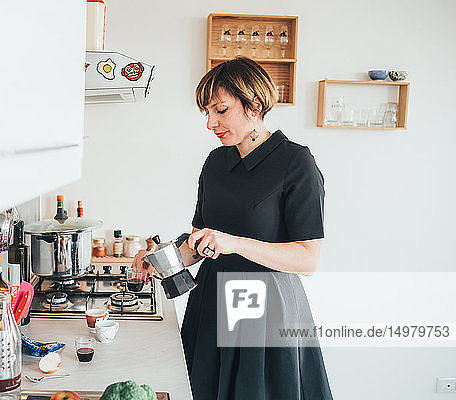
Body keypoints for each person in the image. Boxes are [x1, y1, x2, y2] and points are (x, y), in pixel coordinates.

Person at [132, 57, 333, 399]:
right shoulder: (215, 162)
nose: (210, 122)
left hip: (265, 309)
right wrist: (160, 259)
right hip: (210, 301)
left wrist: (234, 243)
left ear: (254, 106)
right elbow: (199, 241)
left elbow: (308, 259)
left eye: (220, 110)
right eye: (207, 112)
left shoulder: (295, 163)